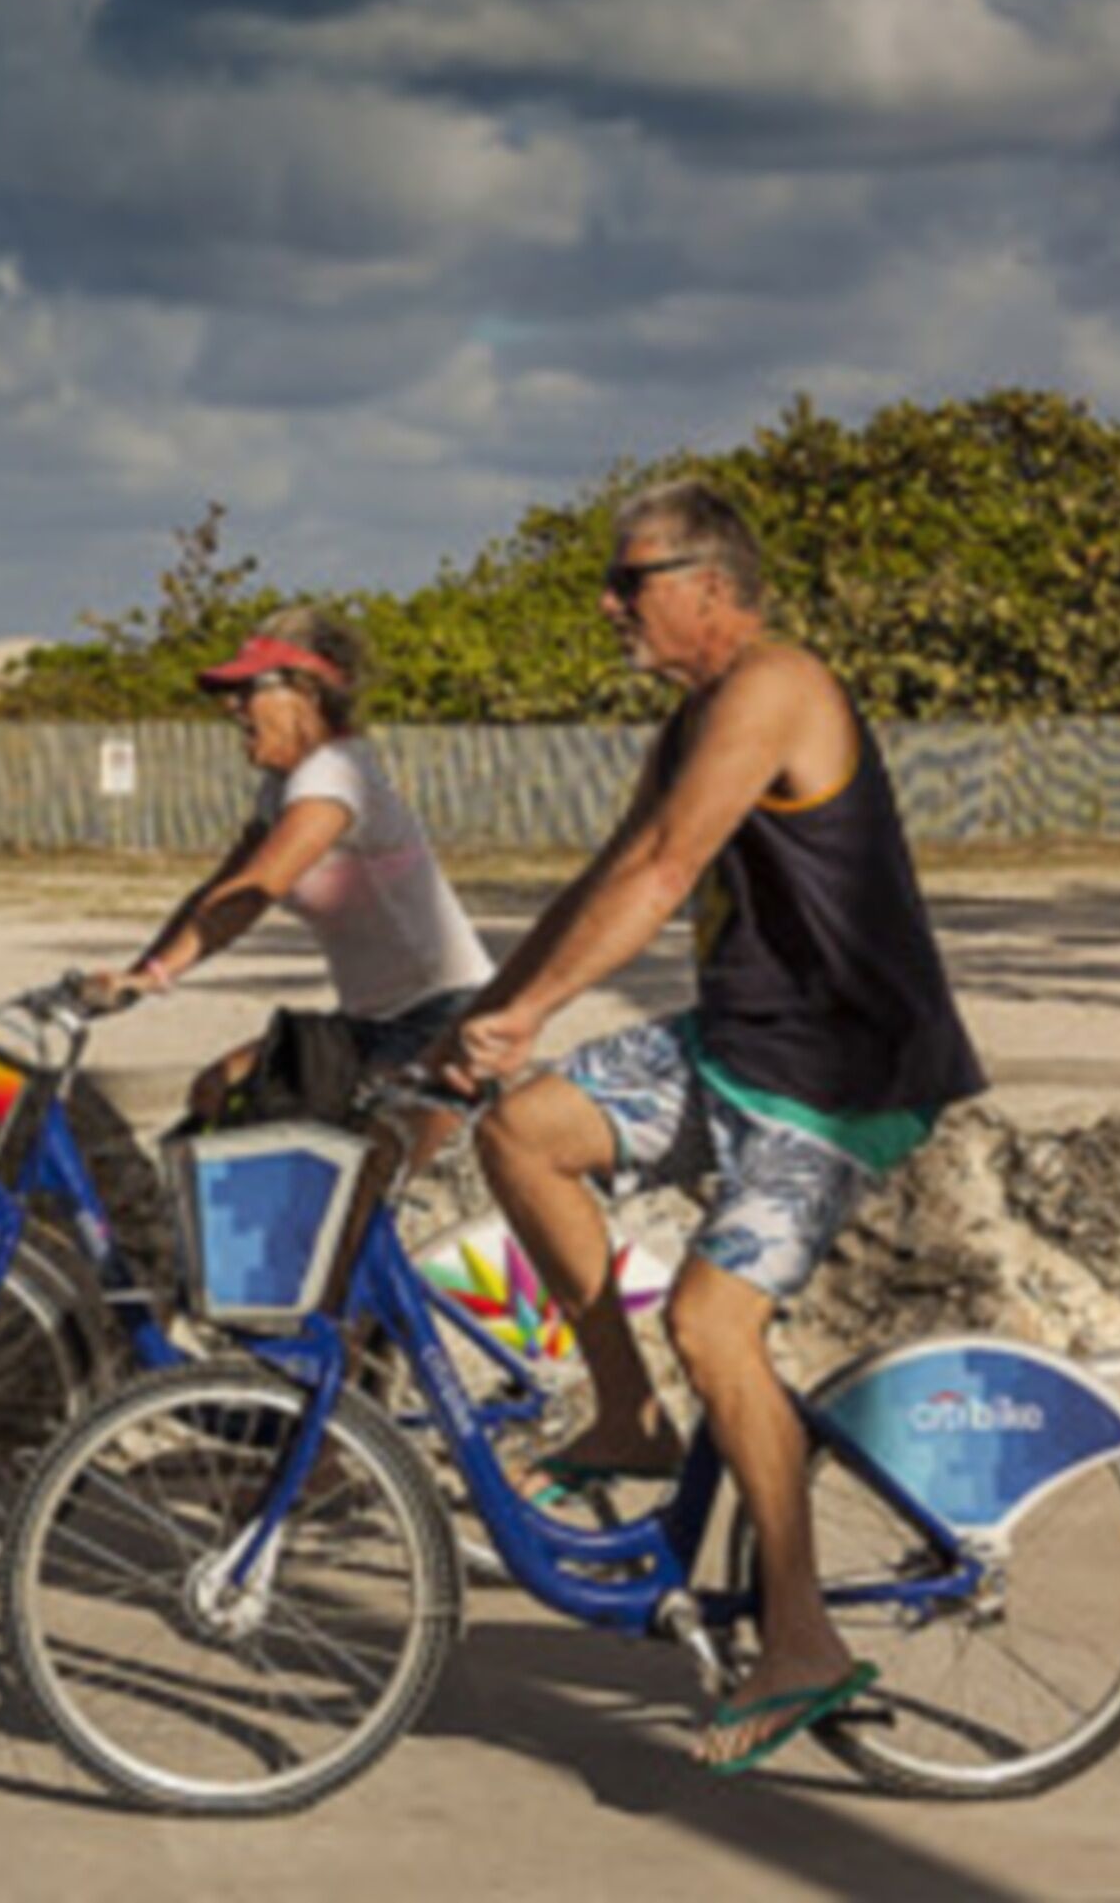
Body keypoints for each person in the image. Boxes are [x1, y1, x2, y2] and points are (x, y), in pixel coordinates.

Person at [433, 479, 987, 1777]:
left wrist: (534, 1005)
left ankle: (801, 1643)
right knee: (522, 1133)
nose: (611, 604)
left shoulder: (779, 684)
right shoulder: (687, 722)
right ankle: (627, 1413)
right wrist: (493, 1015)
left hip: (838, 1076)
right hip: (738, 1051)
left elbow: (669, 872)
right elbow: (610, 871)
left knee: (713, 1321)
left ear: (713, 587)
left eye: (633, 582)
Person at [92, 606, 496, 1121]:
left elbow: (257, 889)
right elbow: (219, 890)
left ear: (305, 692)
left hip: (442, 1020)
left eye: (247, 690)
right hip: (369, 1023)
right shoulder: (282, 787)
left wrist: (151, 981)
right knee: (215, 1091)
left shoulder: (335, 772)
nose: (233, 707)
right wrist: (142, 975)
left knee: (337, 1173)